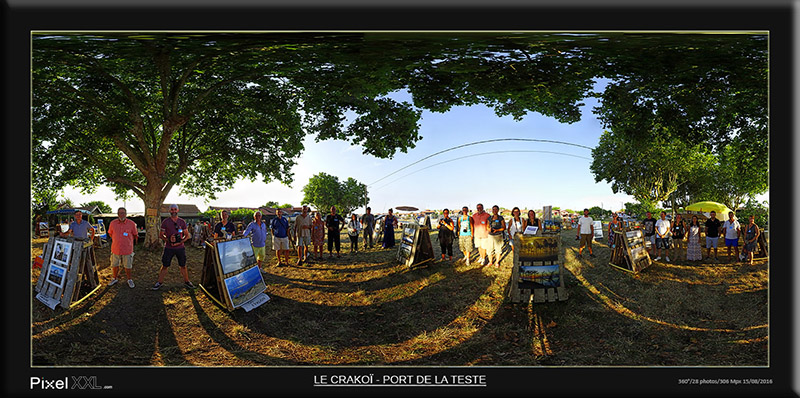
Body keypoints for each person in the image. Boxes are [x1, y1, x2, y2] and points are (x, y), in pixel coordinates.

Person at [152, 204, 194, 290]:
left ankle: (187, 281)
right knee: (165, 265)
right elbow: (161, 235)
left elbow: (187, 235)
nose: (173, 211)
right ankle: (159, 282)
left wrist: (179, 242)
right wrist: (169, 240)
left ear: (177, 210)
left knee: (183, 265)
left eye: (175, 209)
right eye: (172, 209)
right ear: (169, 211)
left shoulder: (182, 222)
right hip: (169, 248)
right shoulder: (165, 222)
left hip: (180, 248)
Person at [107, 207, 138, 288]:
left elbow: (135, 235)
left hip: (127, 249)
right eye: (120, 213)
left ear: (126, 214)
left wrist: (127, 241)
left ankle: (129, 279)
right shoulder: (112, 223)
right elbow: (110, 233)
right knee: (114, 265)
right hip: (115, 249)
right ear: (117, 214)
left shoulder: (131, 224)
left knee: (128, 266)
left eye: (123, 213)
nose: (122, 214)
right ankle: (114, 278)